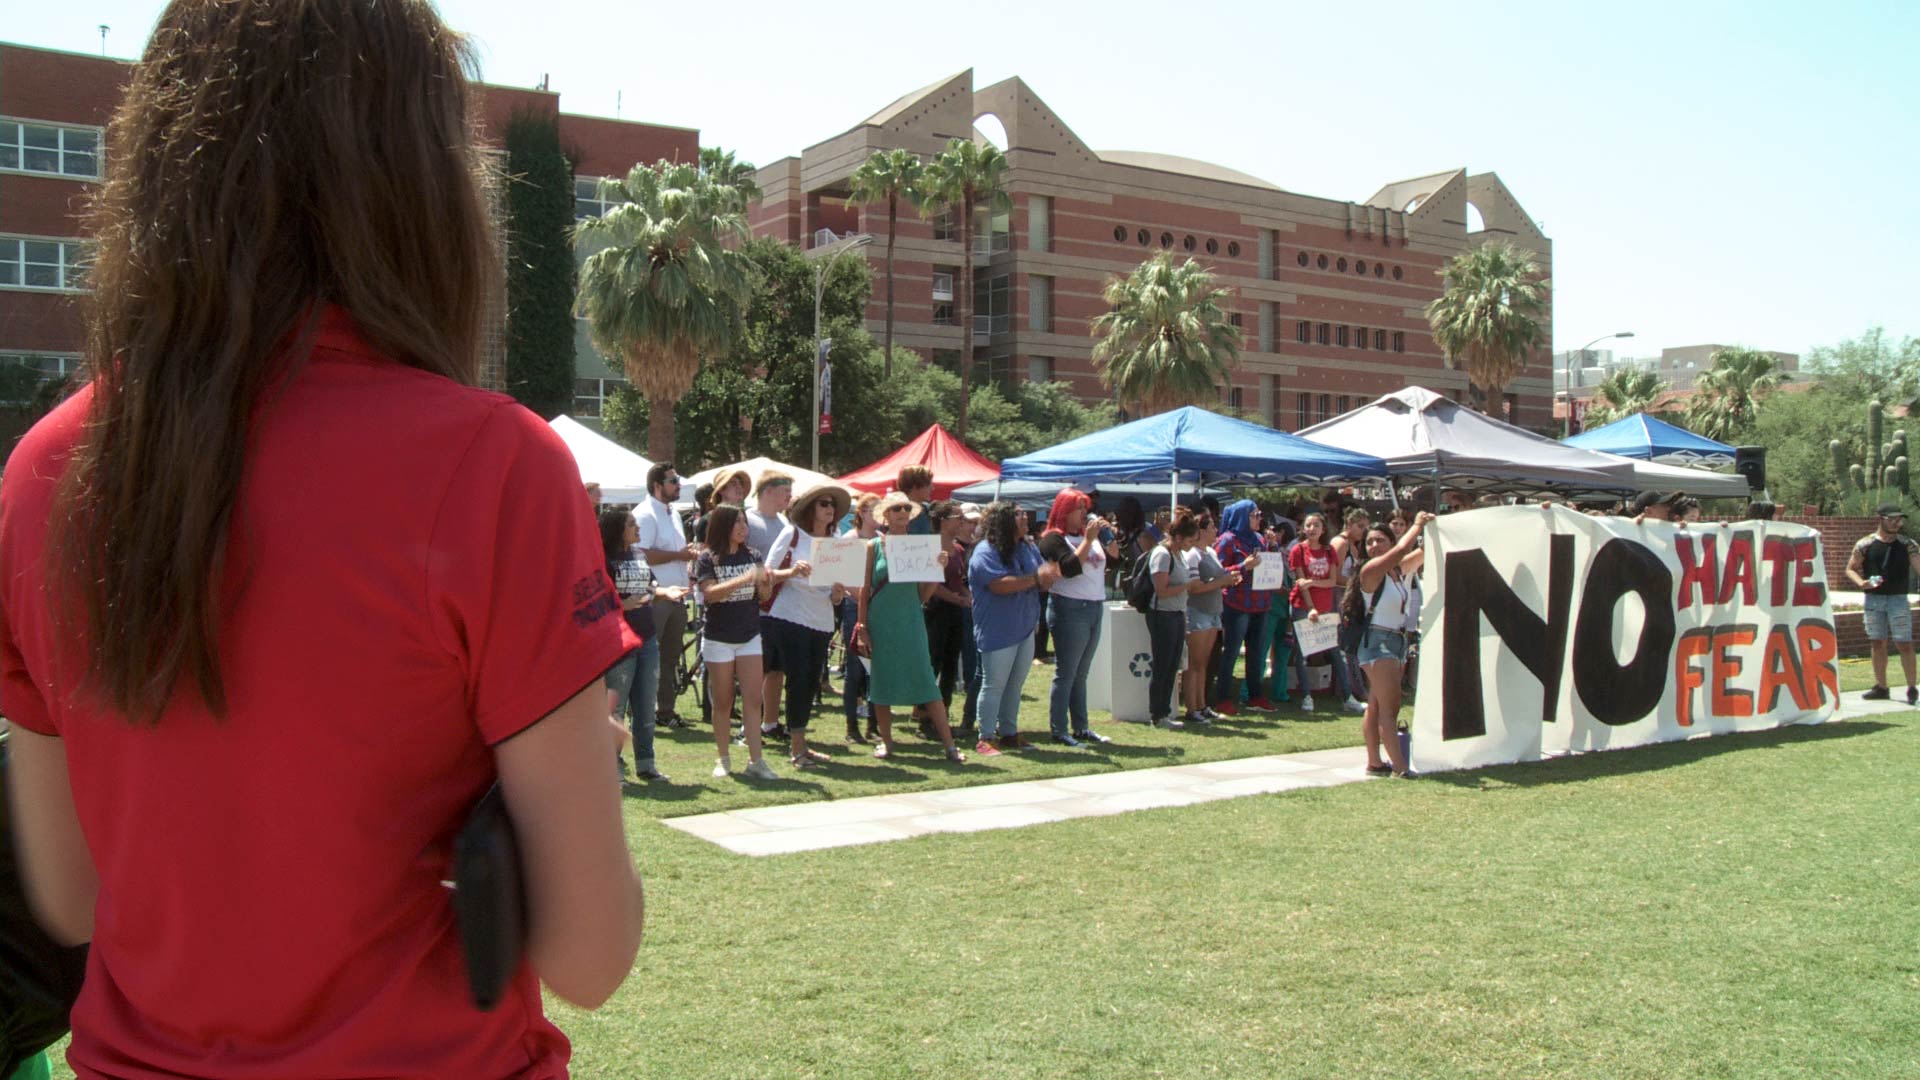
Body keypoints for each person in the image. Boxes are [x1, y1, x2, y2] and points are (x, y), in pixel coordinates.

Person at [0, 3, 644, 1075]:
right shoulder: (494, 467)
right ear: (419, 180)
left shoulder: (44, 470)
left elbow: (69, 900)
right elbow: (592, 954)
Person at [853, 494, 966, 762]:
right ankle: (887, 742)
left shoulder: (921, 547)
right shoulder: (873, 546)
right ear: (885, 515)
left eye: (906, 508)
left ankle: (949, 745)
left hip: (911, 621)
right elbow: (864, 589)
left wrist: (936, 569)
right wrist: (862, 627)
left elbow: (923, 596)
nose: (902, 512)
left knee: (926, 679)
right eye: (895, 508)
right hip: (881, 623)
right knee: (881, 683)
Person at [694, 505, 786, 780]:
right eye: (737, 523)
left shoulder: (753, 555)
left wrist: (765, 584)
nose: (743, 528)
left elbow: (761, 596)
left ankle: (756, 760)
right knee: (723, 701)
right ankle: (723, 758)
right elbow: (709, 594)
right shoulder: (708, 559)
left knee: (753, 698)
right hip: (719, 637)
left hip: (749, 635)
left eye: (745, 523)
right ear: (724, 526)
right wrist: (744, 578)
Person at [763, 482, 851, 768]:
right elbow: (766, 574)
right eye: (824, 503)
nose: (830, 509)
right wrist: (792, 571)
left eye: (832, 505)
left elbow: (837, 594)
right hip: (790, 616)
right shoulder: (793, 534)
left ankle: (800, 743)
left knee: (811, 682)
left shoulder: (837, 541)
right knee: (798, 680)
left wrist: (838, 592)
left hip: (822, 619)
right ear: (811, 508)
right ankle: (797, 748)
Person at [602, 507, 687, 783]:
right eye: (631, 525)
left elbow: (651, 589)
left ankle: (646, 765)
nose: (637, 529)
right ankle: (612, 767)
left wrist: (667, 592)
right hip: (619, 642)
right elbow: (599, 599)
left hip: (647, 638)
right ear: (617, 530)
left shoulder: (639, 555)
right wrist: (620, 605)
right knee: (617, 707)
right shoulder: (605, 559)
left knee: (645, 702)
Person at [969, 502, 1058, 753]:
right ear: (1003, 521)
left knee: (1015, 684)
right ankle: (985, 737)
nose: (1025, 518)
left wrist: (1048, 577)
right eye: (1018, 514)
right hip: (997, 628)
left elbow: (1041, 578)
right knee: (994, 684)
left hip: (1025, 626)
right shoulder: (985, 551)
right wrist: (1035, 579)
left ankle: (1009, 733)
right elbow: (999, 585)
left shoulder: (1027, 547)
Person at [1350, 514, 1433, 778]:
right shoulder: (1370, 571)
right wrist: (1417, 524)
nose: (1374, 546)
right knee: (1390, 708)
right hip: (1378, 642)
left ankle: (1375, 763)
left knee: (1376, 705)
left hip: (1395, 641)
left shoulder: (1396, 571)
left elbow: (1421, 553)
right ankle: (1400, 768)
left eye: (1380, 540)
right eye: (1370, 542)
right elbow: (1401, 550)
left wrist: (1434, 528)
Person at [1035, 490, 1113, 746]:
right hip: (1069, 607)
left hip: (1093, 606)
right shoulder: (1052, 539)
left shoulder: (1087, 537)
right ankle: (1059, 729)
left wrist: (1107, 536)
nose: (1084, 514)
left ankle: (1081, 727)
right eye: (1079, 508)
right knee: (1066, 672)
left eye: (1085, 508)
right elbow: (1068, 568)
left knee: (1081, 673)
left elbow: (1115, 559)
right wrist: (1088, 541)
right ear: (1064, 510)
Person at [638, 461, 695, 730]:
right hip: (655, 598)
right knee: (649, 658)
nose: (678, 485)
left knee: (670, 658)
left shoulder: (672, 514)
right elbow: (643, 555)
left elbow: (675, 554)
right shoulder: (645, 514)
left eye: (678, 480)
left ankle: (666, 711)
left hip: (677, 597)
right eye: (673, 481)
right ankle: (642, 712)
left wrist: (687, 556)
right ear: (657, 485)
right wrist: (679, 555)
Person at [1288, 513, 1362, 713]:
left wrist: (1314, 583)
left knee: (1335, 652)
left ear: (1323, 529)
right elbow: (1301, 583)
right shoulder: (1297, 550)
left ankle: (1348, 697)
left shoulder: (1329, 551)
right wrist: (1311, 607)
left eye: (1316, 525)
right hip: (1302, 606)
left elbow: (1332, 581)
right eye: (1308, 525)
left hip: (1326, 606)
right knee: (1302, 654)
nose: (1312, 529)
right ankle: (1306, 696)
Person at [1846, 503, 1920, 704]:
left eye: (1900, 519)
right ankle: (1881, 686)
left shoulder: (1907, 544)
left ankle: (1912, 687)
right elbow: (1851, 568)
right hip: (1874, 599)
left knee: (1904, 642)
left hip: (1898, 599)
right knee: (1877, 641)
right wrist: (1862, 582)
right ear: (1881, 519)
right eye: (1892, 519)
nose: (1897, 523)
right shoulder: (1865, 544)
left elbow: (1918, 566)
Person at [749, 471, 796, 741]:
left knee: (777, 669)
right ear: (767, 490)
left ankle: (770, 722)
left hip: (780, 606)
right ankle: (750, 723)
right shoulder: (749, 520)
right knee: (759, 669)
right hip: (755, 606)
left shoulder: (783, 522)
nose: (789, 496)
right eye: (784, 490)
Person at [1213, 500, 1271, 714]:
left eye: (1259, 514)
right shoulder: (1227, 540)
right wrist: (1242, 566)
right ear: (1242, 516)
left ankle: (1256, 695)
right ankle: (1223, 698)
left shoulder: (1260, 539)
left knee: (1256, 653)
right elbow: (1216, 572)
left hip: (1261, 603)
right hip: (1236, 603)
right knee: (1231, 653)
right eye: (1255, 514)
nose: (1259, 518)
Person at [923, 501, 975, 739]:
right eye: (957, 517)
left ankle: (943, 714)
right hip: (935, 611)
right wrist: (956, 599)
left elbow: (960, 582)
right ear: (943, 521)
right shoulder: (930, 547)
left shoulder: (959, 550)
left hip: (955, 612)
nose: (962, 522)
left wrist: (967, 597)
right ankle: (925, 717)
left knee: (951, 665)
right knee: (933, 663)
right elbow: (931, 585)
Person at [1146, 510, 1200, 729]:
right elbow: (1161, 590)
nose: (1192, 545)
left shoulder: (1179, 554)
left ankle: (1164, 712)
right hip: (1162, 615)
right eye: (1189, 540)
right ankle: (1157, 714)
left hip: (1177, 614)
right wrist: (1188, 586)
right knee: (1163, 665)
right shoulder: (1162, 554)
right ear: (1178, 537)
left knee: (1172, 666)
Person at [1183, 513, 1239, 725]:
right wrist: (1221, 581)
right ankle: (1191, 707)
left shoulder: (1211, 552)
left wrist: (1228, 579)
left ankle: (1202, 705)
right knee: (1194, 663)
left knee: (1204, 663)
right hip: (1198, 612)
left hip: (1213, 612)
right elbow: (1195, 587)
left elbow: (1218, 578)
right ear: (1201, 531)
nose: (1216, 531)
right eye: (1212, 527)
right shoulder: (1193, 555)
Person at [838, 492, 883, 743]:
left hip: (878, 609)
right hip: (854, 608)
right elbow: (845, 580)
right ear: (862, 513)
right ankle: (852, 727)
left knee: (877, 669)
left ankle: (873, 725)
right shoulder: (849, 540)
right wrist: (866, 596)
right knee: (855, 669)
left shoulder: (882, 540)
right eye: (873, 510)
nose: (878, 515)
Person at [1326, 508, 1372, 713]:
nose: (1363, 531)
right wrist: (1357, 581)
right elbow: (1333, 576)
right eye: (1360, 526)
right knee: (1343, 646)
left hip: (1349, 598)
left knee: (1350, 645)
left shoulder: (1353, 545)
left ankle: (1352, 688)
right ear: (1349, 524)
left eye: (1365, 527)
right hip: (1338, 598)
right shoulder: (1341, 543)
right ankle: (1349, 690)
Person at [897, 464, 936, 535]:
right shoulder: (895, 512)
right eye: (928, 485)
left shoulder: (928, 510)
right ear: (914, 486)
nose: (933, 488)